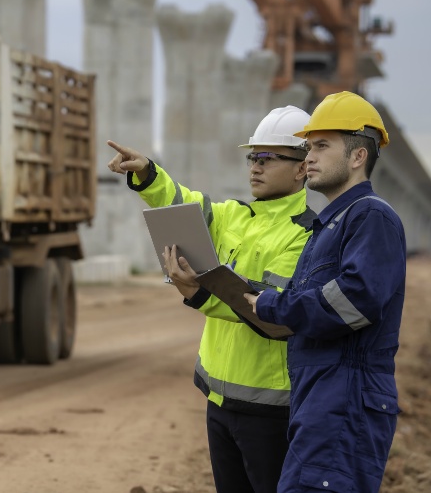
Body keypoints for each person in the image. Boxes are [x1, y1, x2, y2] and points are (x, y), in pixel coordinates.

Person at [107, 105, 317, 493]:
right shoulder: (234, 215)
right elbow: (182, 204)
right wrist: (148, 173)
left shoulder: (305, 235)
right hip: (219, 400)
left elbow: (271, 310)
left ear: (302, 168)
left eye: (269, 158)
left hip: (268, 409)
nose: (255, 166)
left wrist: (198, 294)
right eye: (253, 156)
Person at [244, 91, 405, 493]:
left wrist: (271, 305)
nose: (308, 157)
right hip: (322, 395)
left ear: (357, 157)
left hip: (345, 397)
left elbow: (353, 302)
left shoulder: (370, 216)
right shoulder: (331, 224)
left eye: (320, 146)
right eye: (307, 147)